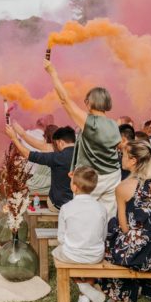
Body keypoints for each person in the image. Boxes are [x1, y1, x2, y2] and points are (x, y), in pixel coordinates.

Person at [100, 140, 151, 302]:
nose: (121, 158)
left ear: (133, 160)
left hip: (138, 253)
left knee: (112, 232)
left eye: (123, 155)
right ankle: (145, 288)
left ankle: (121, 295)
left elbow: (125, 228)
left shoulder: (124, 187)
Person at [44, 59, 121, 219]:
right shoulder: (114, 124)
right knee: (107, 219)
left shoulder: (90, 123)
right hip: (113, 175)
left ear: (90, 102)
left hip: (92, 177)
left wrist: (53, 73)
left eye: (86, 100)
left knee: (84, 216)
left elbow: (64, 100)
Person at [52, 166, 108, 302]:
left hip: (72, 254)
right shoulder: (101, 208)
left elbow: (61, 237)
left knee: (56, 254)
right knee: (88, 258)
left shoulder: (66, 207)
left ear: (74, 188)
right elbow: (103, 235)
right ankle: (85, 294)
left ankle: (80, 284)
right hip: (95, 255)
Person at [5, 124, 76, 211]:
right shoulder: (84, 156)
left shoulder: (56, 157)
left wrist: (14, 138)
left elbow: (28, 154)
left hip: (58, 205)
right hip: (78, 204)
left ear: (61, 142)